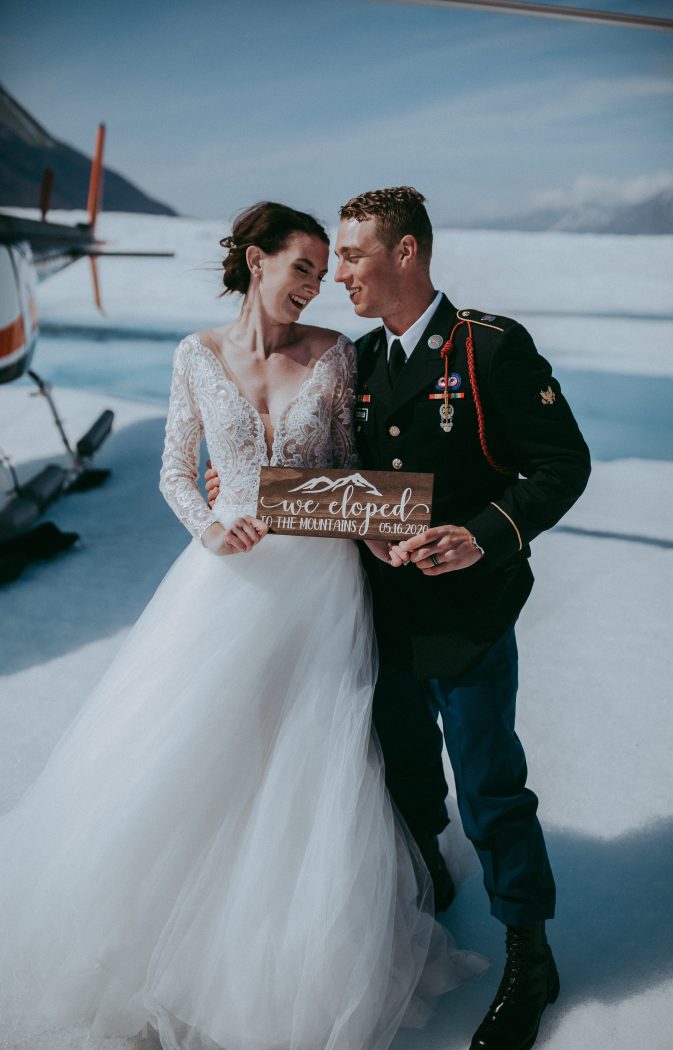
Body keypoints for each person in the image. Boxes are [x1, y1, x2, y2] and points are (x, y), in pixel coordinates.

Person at [0, 201, 486, 1050]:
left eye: (321, 268)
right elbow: (173, 470)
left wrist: (384, 529)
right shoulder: (196, 354)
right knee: (199, 744)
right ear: (254, 262)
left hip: (321, 585)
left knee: (310, 752)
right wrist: (209, 525)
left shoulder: (334, 355)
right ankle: (155, 947)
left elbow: (341, 471)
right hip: (225, 580)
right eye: (300, 266)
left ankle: (290, 953)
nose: (316, 283)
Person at [206, 186, 592, 1050]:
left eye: (351, 256)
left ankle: (530, 951)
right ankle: (427, 903)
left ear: (406, 254)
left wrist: (486, 536)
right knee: (406, 776)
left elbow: (561, 462)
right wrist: (241, 492)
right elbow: (344, 487)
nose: (337, 273)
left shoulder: (488, 348)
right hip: (378, 617)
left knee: (490, 787)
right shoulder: (361, 363)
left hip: (469, 615)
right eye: (333, 258)